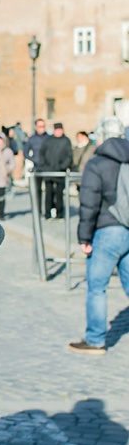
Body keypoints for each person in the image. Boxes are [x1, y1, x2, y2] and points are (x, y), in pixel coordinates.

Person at [68, 130, 129, 354]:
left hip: (107, 230)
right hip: (128, 228)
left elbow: (89, 204)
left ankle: (95, 340)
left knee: (97, 288)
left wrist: (84, 237)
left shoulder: (97, 163)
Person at [41, 122, 74, 218]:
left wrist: (63, 166)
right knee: (48, 194)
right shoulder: (48, 140)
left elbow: (69, 156)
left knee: (59, 194)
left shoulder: (66, 141)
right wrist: (45, 166)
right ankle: (48, 214)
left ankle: (60, 214)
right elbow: (42, 153)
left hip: (60, 172)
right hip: (49, 171)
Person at [0, 133, 15, 219]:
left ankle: (1, 213)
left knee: (2, 196)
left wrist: (7, 170)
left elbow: (12, 163)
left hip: (2, 177)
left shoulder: (8, 151)